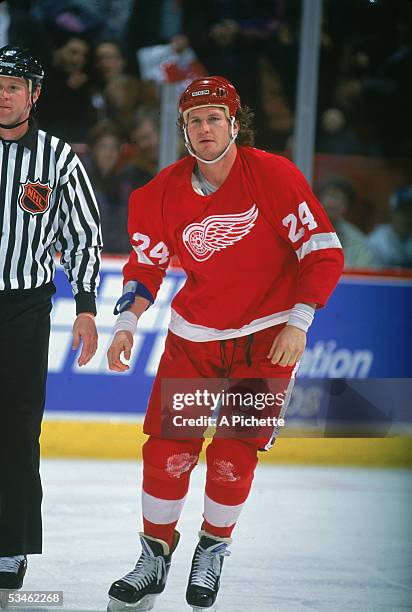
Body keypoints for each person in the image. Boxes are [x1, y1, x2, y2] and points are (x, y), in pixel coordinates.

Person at [106, 76, 344, 612]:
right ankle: (153, 556)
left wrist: (300, 320)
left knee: (234, 455)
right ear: (184, 131)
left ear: (235, 125)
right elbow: (146, 263)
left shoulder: (274, 176)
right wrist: (126, 323)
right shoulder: (159, 194)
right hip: (196, 341)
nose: (205, 128)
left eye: (215, 118)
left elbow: (323, 251)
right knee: (168, 450)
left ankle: (212, 548)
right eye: (194, 120)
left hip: (267, 341)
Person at [0, 45, 102, 590]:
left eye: (14, 86)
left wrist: (86, 308)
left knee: (16, 428)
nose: (4, 94)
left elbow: (84, 238)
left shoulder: (58, 158)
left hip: (24, 307)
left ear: (34, 95)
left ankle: (10, 547)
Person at [316, 176, 379, 269]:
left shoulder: (357, 240)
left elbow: (364, 273)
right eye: (330, 195)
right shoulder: (303, 231)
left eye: (340, 198)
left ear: (347, 207)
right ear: (317, 200)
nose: (333, 203)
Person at [367, 185, 412, 268]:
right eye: (403, 212)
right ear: (392, 213)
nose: (408, 218)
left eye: (410, 212)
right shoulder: (377, 242)